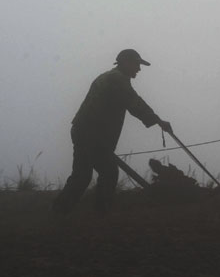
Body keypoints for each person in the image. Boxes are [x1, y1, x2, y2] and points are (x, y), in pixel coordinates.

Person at [52, 49, 172, 214]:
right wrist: (158, 121)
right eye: (137, 64)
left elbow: (133, 103)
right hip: (89, 134)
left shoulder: (113, 78)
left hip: (89, 133)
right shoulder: (116, 80)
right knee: (90, 174)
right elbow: (135, 103)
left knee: (98, 173)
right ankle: (75, 213)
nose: (139, 69)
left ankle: (85, 212)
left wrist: (156, 120)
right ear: (126, 63)